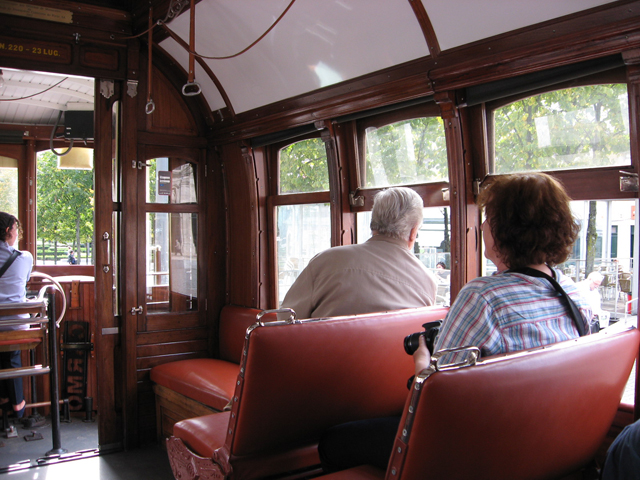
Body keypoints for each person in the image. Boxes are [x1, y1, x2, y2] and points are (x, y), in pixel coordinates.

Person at [318, 173, 592, 473]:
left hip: (479, 450)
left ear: (504, 230)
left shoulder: (483, 296)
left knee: (334, 441)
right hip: (544, 443)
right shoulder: (571, 292)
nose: (483, 224)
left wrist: (422, 361)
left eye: (488, 217)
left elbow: (435, 402)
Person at [281, 187, 438, 319]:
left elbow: (285, 319)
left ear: (373, 223)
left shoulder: (326, 260)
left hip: (325, 354)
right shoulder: (427, 281)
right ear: (413, 232)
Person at [0, 212, 34, 418]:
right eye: (15, 229)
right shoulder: (25, 257)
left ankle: (5, 400)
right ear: (8, 231)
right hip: (15, 327)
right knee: (11, 351)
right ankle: (17, 405)